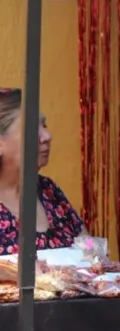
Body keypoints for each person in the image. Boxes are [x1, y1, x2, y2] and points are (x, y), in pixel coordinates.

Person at [0, 88, 85, 255]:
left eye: (44, 125)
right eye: (32, 128)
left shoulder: (49, 190)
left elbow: (90, 254)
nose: (47, 136)